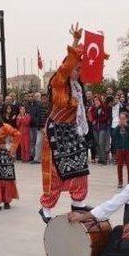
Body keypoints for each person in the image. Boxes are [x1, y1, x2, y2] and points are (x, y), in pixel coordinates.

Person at [39, 23, 92, 223]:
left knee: (80, 164)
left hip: (72, 130)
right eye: (76, 69)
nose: (78, 72)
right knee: (58, 170)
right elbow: (67, 64)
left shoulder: (78, 88)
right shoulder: (58, 82)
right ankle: (46, 207)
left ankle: (78, 203)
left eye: (80, 69)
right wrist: (76, 41)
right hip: (56, 132)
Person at [111, 112, 129, 188]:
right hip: (119, 149)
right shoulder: (117, 127)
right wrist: (118, 126)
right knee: (119, 165)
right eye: (120, 118)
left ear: (127, 119)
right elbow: (114, 134)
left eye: (123, 118)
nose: (122, 120)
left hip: (128, 148)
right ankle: (120, 181)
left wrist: (125, 125)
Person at [89, 96, 110, 165]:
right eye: (95, 100)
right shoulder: (93, 108)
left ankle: (103, 159)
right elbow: (92, 117)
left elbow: (106, 117)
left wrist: (97, 120)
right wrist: (95, 110)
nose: (96, 101)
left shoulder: (104, 107)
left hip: (102, 127)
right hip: (95, 128)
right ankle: (100, 158)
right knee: (97, 143)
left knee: (102, 143)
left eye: (97, 100)